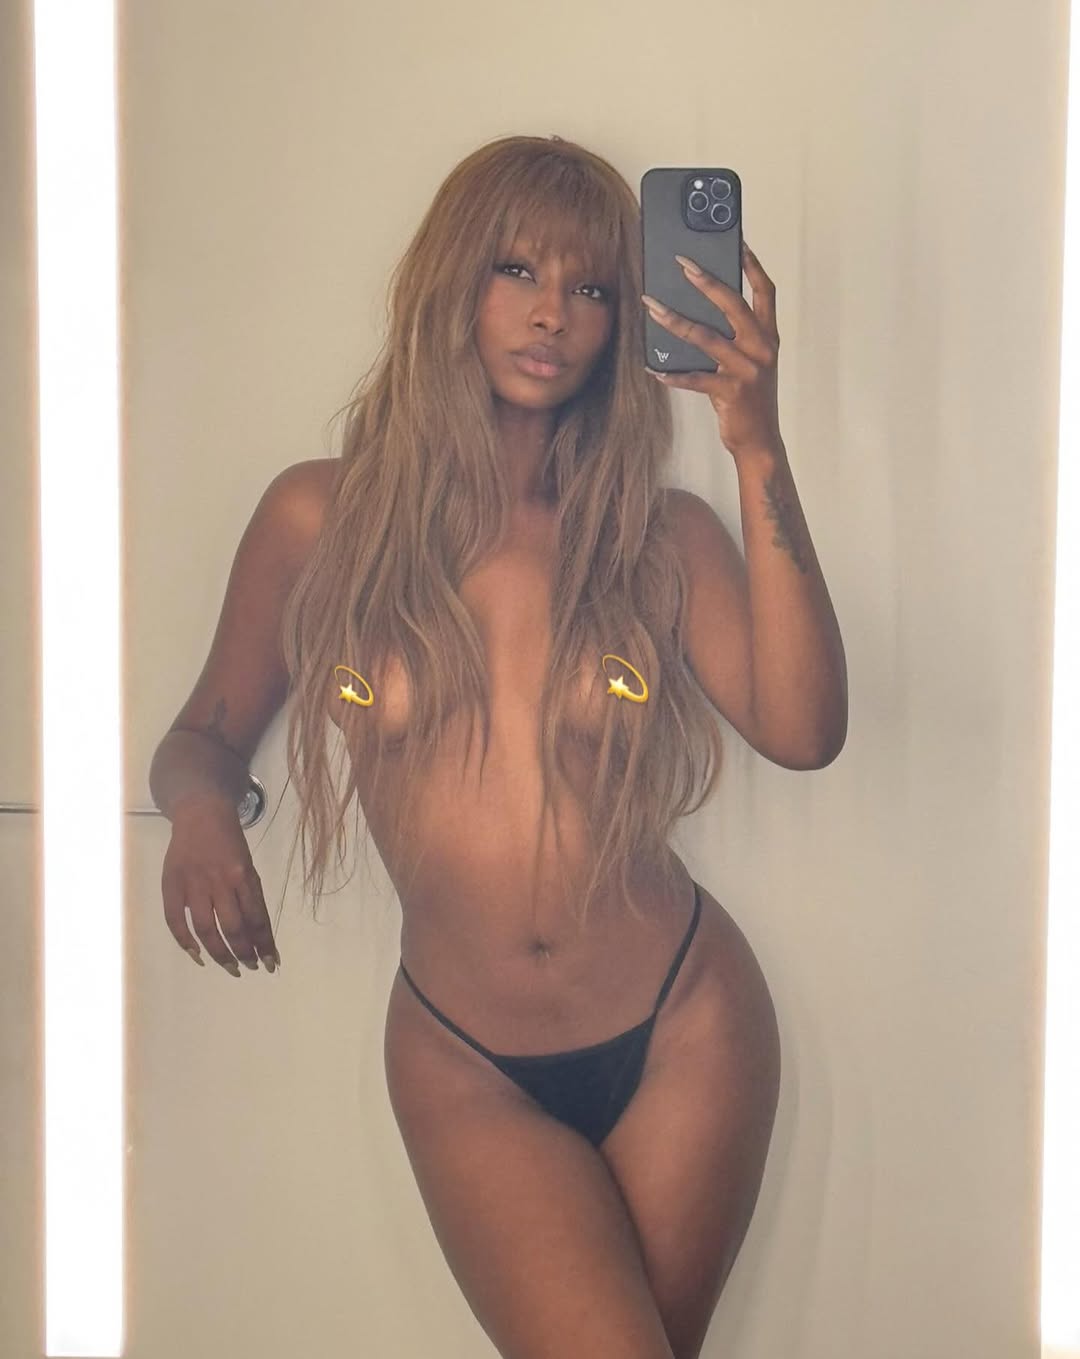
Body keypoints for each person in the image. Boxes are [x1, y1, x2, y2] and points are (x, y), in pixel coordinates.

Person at [149, 134, 847, 1359]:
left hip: (685, 1023)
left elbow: (803, 731)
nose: (551, 313)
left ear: (622, 322)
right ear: (451, 284)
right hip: (465, 1059)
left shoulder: (656, 535)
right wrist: (203, 815)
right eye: (516, 270)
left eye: (591, 287)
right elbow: (203, 737)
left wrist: (757, 445)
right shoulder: (319, 518)